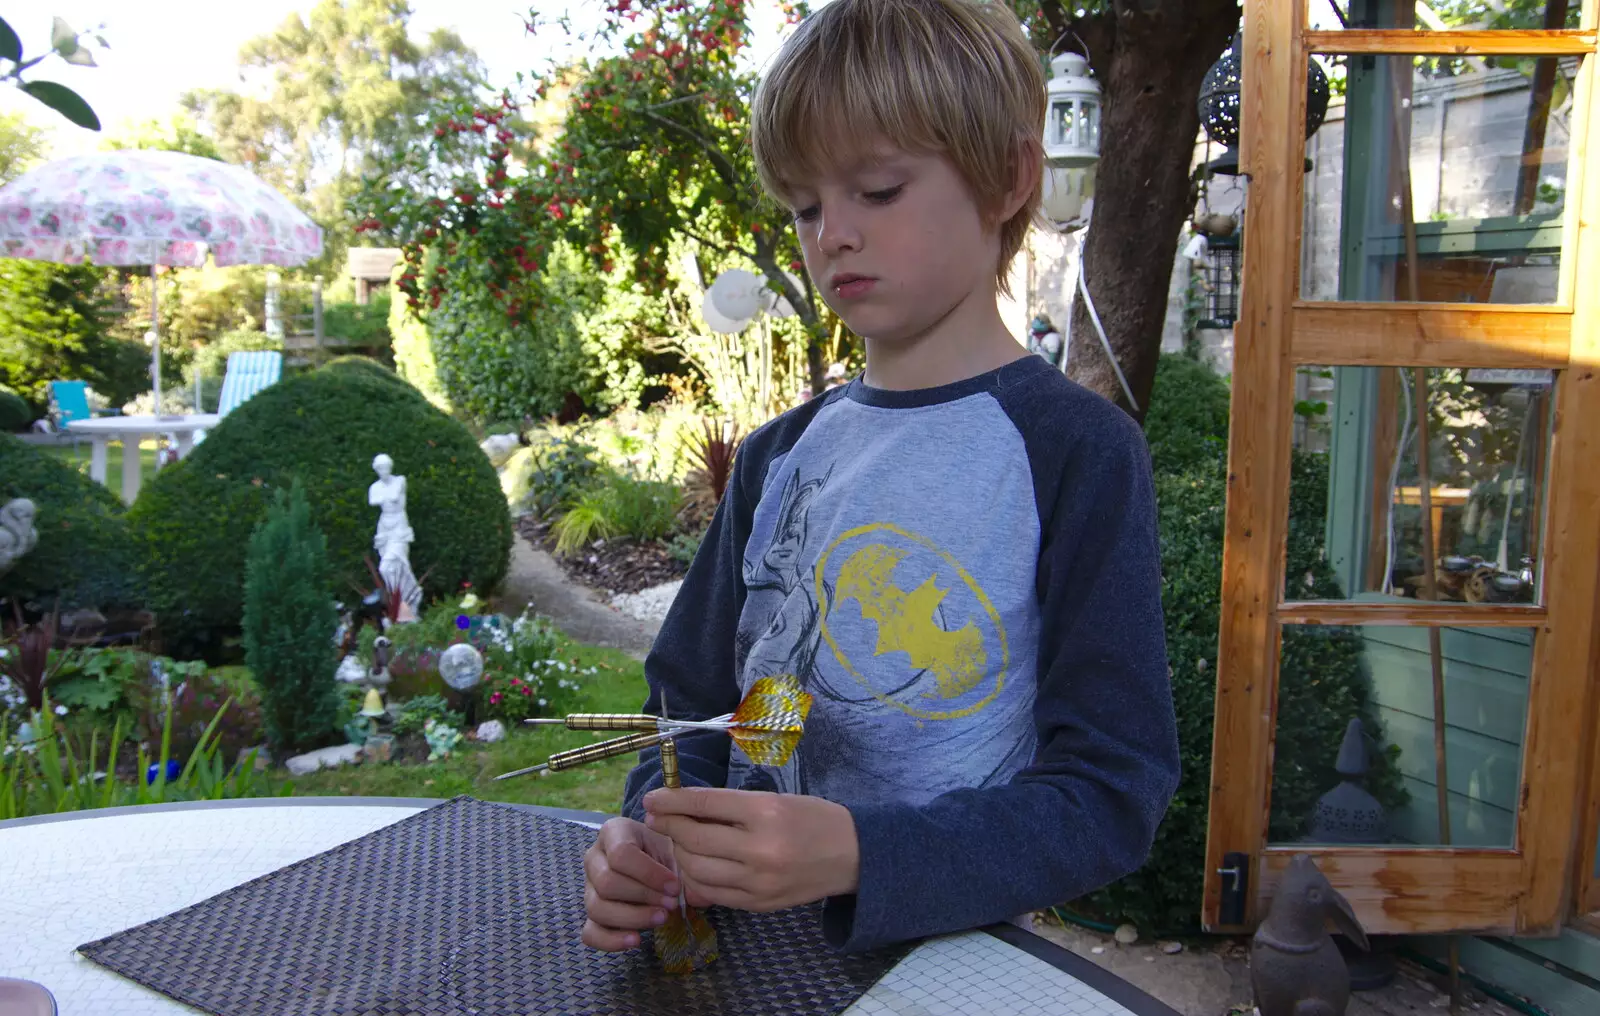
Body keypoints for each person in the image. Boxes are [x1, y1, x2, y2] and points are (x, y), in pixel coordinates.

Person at [582, 0, 1178, 957]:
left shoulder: (1076, 451)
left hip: (944, 965)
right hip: (733, 958)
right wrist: (650, 834)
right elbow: (692, 703)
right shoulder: (779, 457)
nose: (833, 236)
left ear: (1008, 179)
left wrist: (864, 852)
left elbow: (1109, 792)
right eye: (808, 206)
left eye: (879, 190)